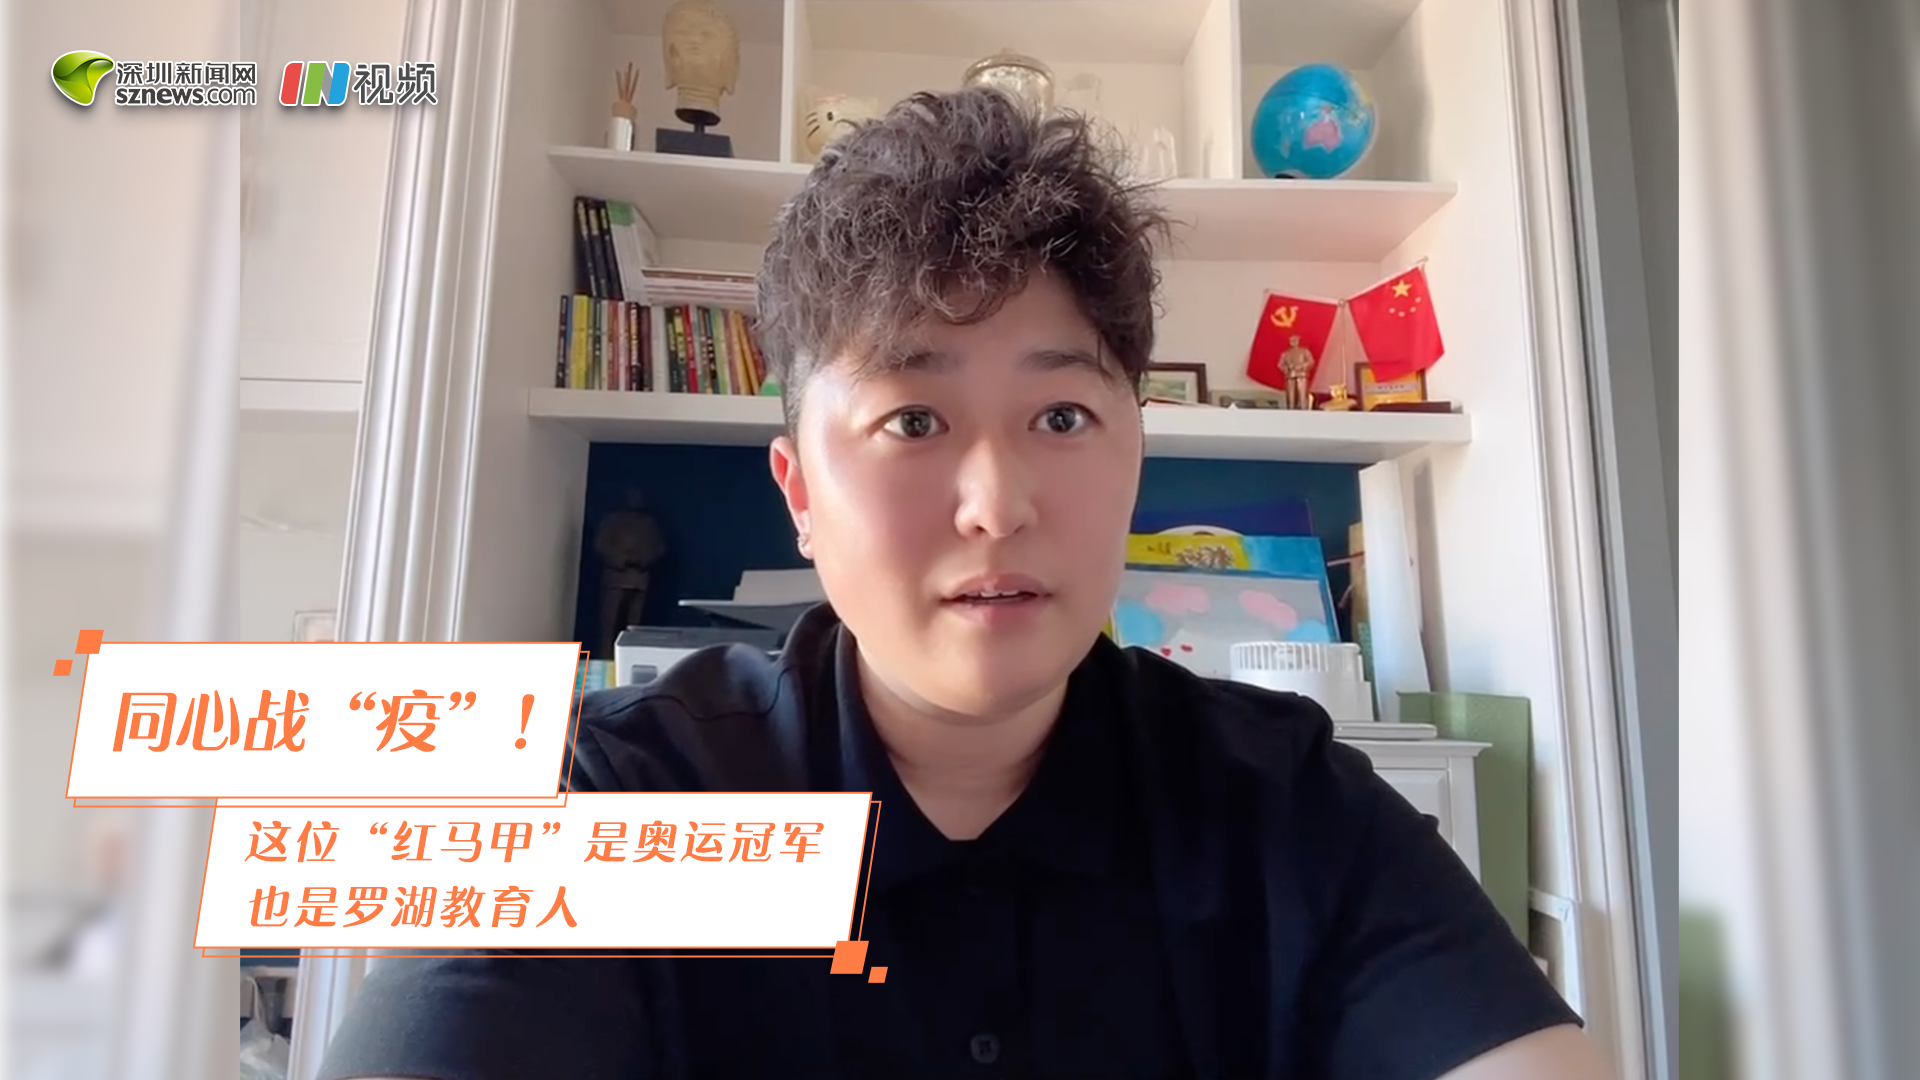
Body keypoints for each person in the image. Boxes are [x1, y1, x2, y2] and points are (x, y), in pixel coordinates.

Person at [317, 87, 1612, 1080]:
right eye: (913, 421)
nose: (998, 503)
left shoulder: (1292, 809)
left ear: (1135, 456)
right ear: (800, 493)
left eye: (1061, 416)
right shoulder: (616, 802)